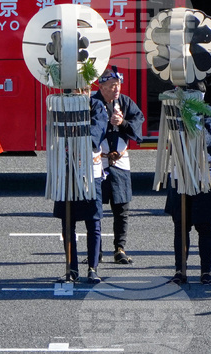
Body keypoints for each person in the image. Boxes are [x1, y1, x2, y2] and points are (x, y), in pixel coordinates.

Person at [165, 88, 211, 285]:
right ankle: (180, 270)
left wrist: (190, 117)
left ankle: (206, 271)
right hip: (180, 171)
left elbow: (206, 137)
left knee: (205, 225)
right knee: (180, 225)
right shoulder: (174, 112)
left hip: (203, 173)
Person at [91, 66, 144, 264]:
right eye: (112, 86)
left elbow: (138, 123)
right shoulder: (93, 102)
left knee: (122, 208)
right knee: (94, 208)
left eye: (118, 85)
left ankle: (120, 248)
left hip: (120, 160)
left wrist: (122, 123)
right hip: (98, 160)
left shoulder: (125, 102)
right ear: (101, 86)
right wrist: (106, 122)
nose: (116, 89)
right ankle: (96, 249)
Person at [53, 95, 108, 283]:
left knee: (93, 221)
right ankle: (72, 268)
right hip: (66, 170)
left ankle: (93, 268)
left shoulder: (96, 105)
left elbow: (98, 130)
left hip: (90, 172)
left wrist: (79, 138)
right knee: (67, 223)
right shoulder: (61, 102)